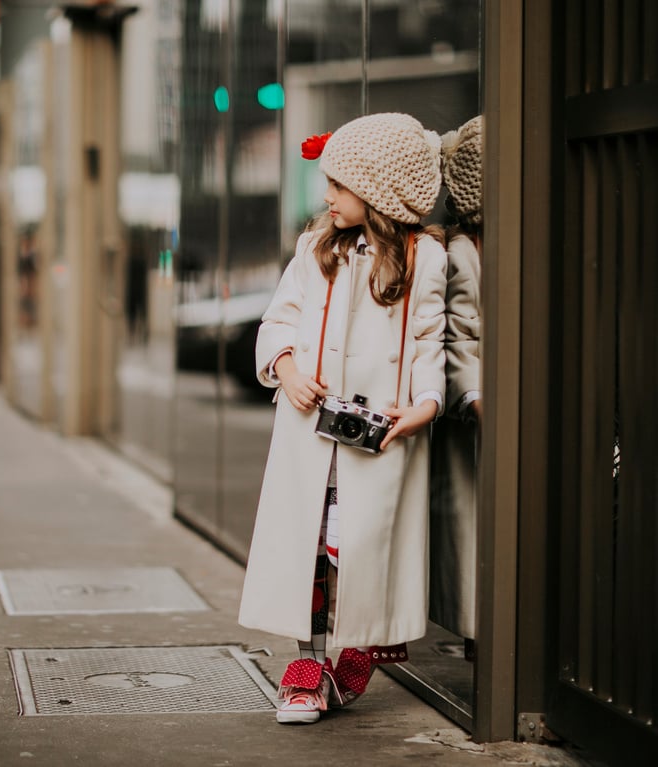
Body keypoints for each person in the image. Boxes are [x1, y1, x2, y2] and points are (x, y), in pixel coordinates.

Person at [237, 113, 448, 725]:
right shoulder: (315, 249)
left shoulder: (423, 259)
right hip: (309, 434)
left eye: (338, 184)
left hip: (376, 436)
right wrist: (286, 368)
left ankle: (358, 640)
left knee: (353, 547)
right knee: (307, 551)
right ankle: (306, 663)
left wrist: (424, 407)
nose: (325, 195)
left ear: (377, 193)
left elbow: (431, 340)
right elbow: (278, 319)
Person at [429, 115, 483, 657]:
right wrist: (475, 395)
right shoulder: (465, 255)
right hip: (476, 420)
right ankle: (479, 632)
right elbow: (458, 336)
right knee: (471, 529)